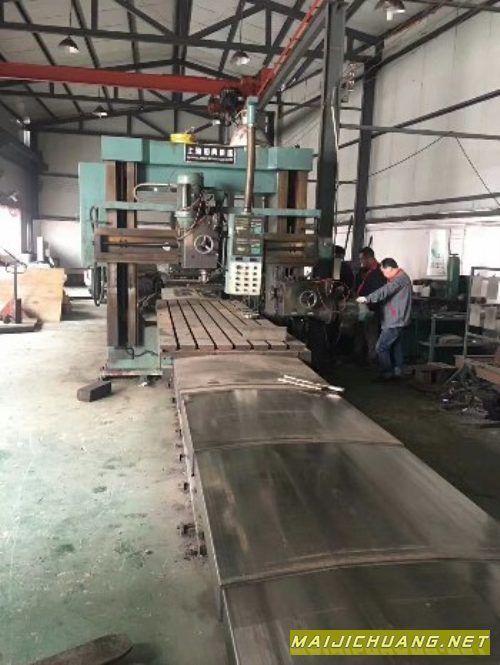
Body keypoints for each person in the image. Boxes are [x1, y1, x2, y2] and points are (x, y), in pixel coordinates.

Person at [356, 258, 412, 379]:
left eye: (384, 272)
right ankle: (398, 371)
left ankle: (386, 373)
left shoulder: (399, 279)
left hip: (395, 321)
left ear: (390, 268)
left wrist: (367, 298)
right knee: (395, 346)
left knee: (381, 347)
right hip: (397, 319)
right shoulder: (399, 277)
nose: (383, 275)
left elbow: (385, 291)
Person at [352, 247, 386, 362]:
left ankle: (372, 359)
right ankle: (358, 357)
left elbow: (379, 292)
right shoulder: (363, 271)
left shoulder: (380, 273)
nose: (361, 262)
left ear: (369, 258)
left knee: (371, 335)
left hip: (372, 309)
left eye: (362, 259)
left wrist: (370, 306)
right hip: (361, 307)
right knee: (359, 333)